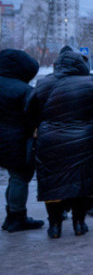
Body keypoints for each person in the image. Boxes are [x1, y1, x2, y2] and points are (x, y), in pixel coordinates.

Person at [26, 51, 93, 238]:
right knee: (81, 183)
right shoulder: (89, 82)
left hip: (51, 141)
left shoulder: (43, 83)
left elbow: (29, 111)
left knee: (52, 184)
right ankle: (79, 224)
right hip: (85, 140)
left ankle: (55, 226)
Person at [0, 49, 45, 233]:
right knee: (19, 178)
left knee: (14, 178)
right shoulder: (24, 90)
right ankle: (17, 217)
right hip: (17, 141)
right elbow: (34, 117)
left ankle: (11, 216)